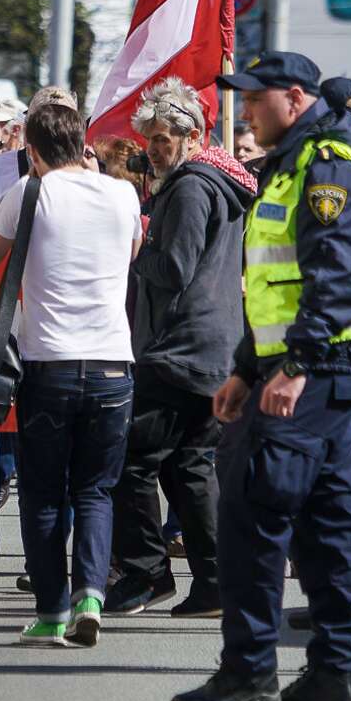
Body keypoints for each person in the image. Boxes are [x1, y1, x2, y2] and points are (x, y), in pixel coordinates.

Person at [172, 52, 351, 701]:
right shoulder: (293, 166)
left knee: (250, 507)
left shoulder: (323, 167)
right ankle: (331, 673)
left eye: (254, 100)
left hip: (319, 369)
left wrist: (294, 366)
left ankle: (250, 673)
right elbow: (279, 286)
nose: (245, 112)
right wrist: (247, 368)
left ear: (293, 98)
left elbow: (341, 275)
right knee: (327, 517)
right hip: (311, 367)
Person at [0, 103, 141, 647]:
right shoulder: (122, 193)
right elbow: (133, 249)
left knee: (44, 495)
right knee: (96, 489)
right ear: (82, 145)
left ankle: (50, 610)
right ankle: (90, 593)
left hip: (50, 363)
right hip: (115, 363)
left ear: (33, 150)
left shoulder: (27, 191)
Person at [107, 78, 251, 619]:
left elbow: (173, 268)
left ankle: (146, 573)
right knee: (189, 467)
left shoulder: (192, 187)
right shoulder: (218, 181)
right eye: (151, 138)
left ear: (193, 136)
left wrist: (137, 247)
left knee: (133, 462)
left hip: (180, 348)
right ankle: (214, 582)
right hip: (209, 345)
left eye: (165, 138)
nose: (154, 147)